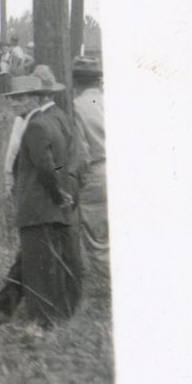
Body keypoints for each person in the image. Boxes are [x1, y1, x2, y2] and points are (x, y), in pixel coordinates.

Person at [0, 66, 83, 326]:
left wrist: (58, 193)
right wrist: (63, 191)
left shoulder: (36, 126)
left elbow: (45, 166)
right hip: (49, 206)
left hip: (37, 207)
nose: (14, 103)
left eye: (20, 98)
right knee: (32, 262)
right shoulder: (53, 120)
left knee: (39, 270)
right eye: (12, 98)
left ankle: (42, 323)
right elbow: (60, 163)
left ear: (37, 98)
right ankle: (0, 311)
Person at [70, 51, 108, 301]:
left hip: (96, 172)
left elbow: (81, 153)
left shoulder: (76, 107)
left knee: (98, 241)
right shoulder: (110, 100)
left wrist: (78, 181)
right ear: (97, 79)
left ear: (75, 80)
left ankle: (114, 292)